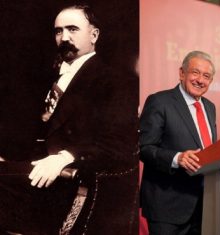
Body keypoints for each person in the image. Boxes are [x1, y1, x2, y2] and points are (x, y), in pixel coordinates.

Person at [0, 5, 138, 234]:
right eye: (58, 31)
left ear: (94, 35)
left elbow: (118, 142)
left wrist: (65, 157)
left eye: (72, 29)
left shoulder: (114, 81)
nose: (64, 37)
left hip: (70, 181)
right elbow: (37, 132)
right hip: (35, 174)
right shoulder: (49, 77)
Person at [139, 51, 217, 235]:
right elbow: (143, 147)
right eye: (195, 73)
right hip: (167, 207)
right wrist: (177, 158)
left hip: (202, 206)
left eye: (206, 76)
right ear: (182, 73)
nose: (200, 80)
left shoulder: (210, 107)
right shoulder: (159, 101)